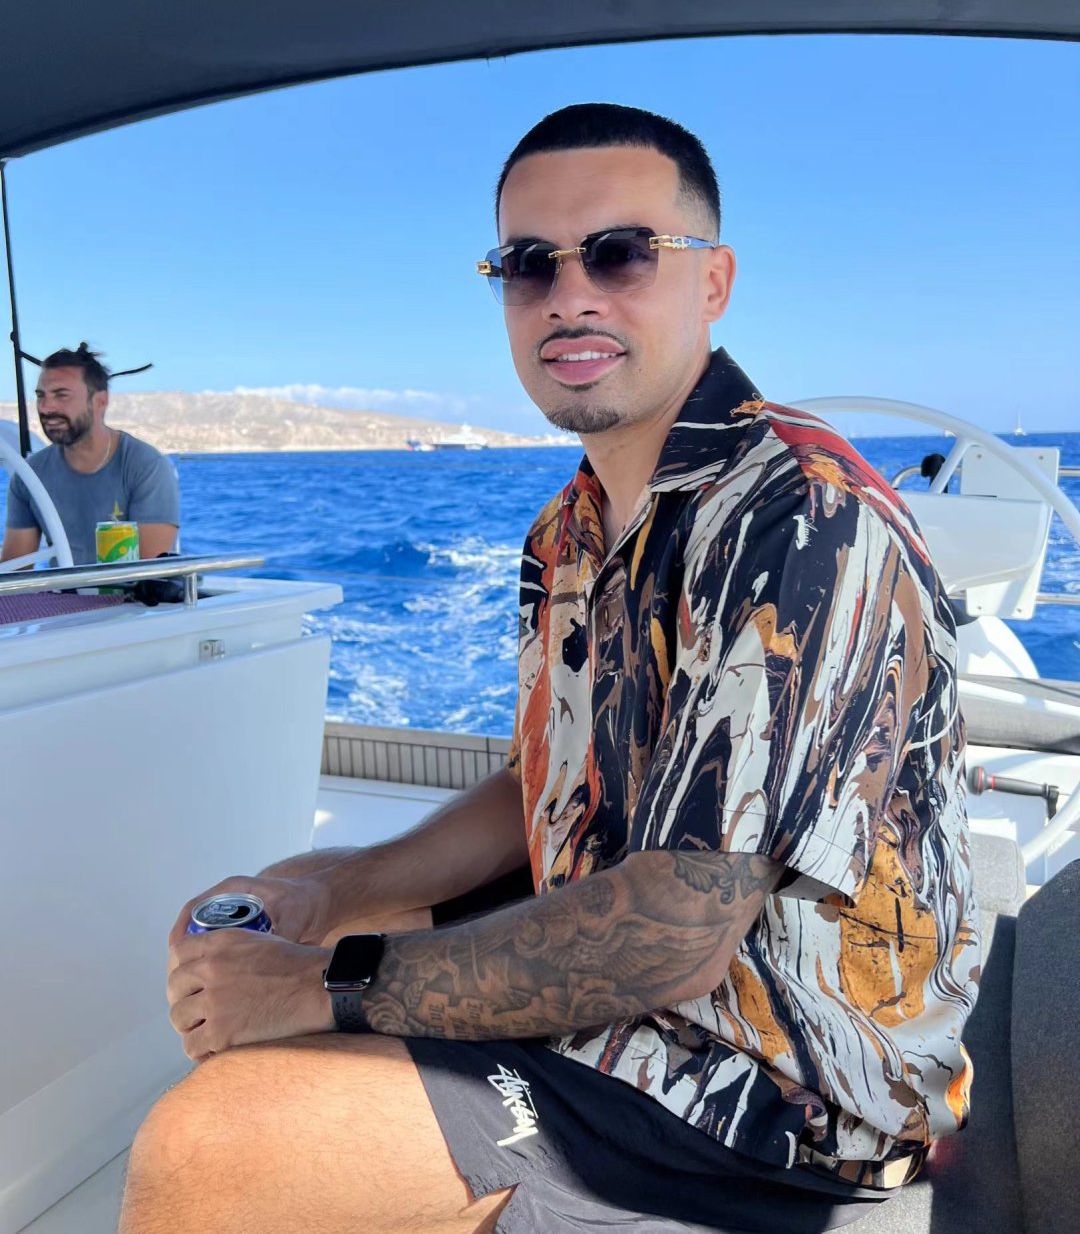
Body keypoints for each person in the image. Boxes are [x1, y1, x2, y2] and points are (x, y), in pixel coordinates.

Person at [119, 105, 980, 1234]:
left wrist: (328, 986)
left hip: (781, 1090)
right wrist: (332, 891)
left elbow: (677, 927)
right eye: (530, 264)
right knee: (303, 927)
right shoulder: (566, 532)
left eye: (620, 253)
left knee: (211, 1145)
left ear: (713, 281)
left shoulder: (800, 518)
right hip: (631, 1015)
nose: (571, 295)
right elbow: (548, 779)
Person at [1, 343, 179, 567]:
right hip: (62, 591)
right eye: (41, 396)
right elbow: (16, 569)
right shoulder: (30, 476)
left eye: (61, 395)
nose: (46, 408)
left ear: (100, 401)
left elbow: (151, 574)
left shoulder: (146, 467)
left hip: (130, 590)